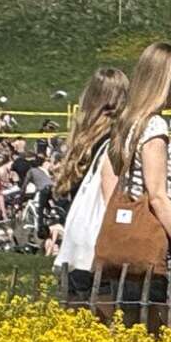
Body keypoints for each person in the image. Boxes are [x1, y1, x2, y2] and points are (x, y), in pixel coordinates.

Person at [97, 42, 171, 333]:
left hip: (130, 241)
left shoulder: (129, 122)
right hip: (155, 242)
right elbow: (157, 197)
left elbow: (111, 179)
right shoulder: (155, 127)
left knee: (135, 329)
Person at [53, 68, 129, 304]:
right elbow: (110, 199)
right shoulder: (113, 141)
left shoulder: (79, 142)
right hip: (98, 245)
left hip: (75, 244)